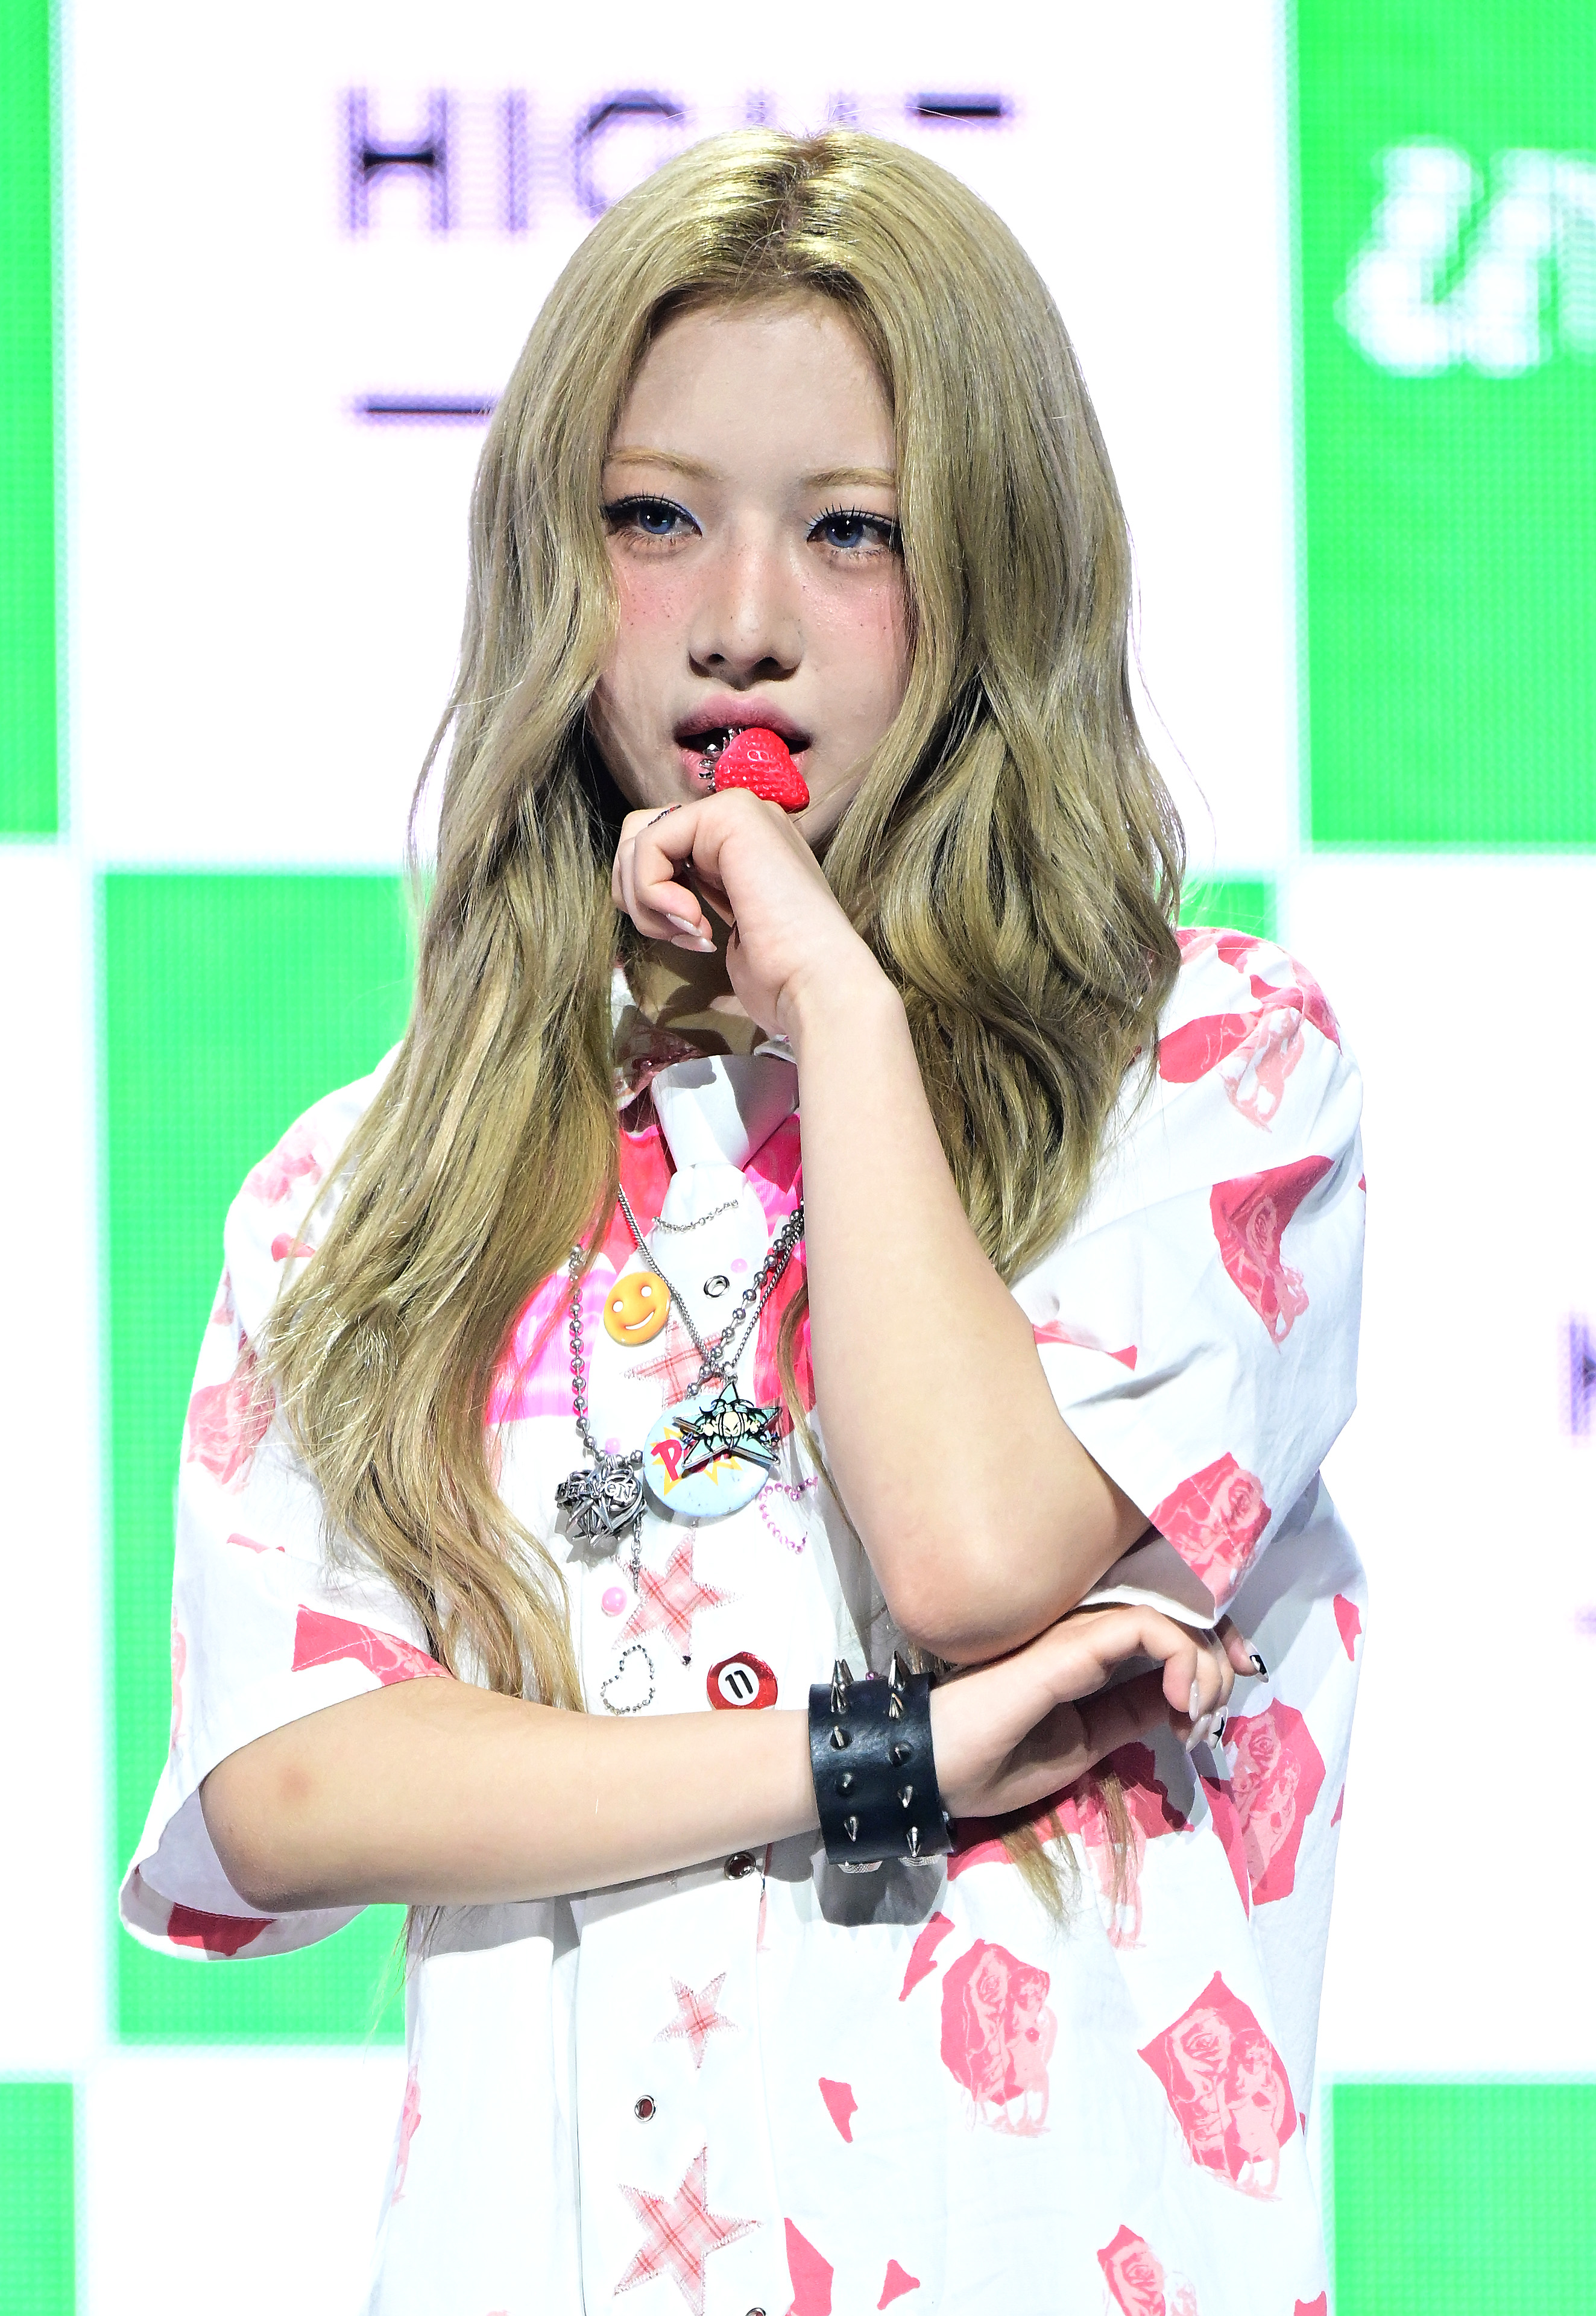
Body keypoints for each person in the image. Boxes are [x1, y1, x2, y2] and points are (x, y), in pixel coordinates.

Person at [122, 130, 1364, 2315]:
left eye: (853, 530)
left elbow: (977, 1557)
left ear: (998, 570)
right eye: (655, 518)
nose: (742, 623)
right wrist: (863, 1760)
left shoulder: (1205, 1068)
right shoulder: (371, 1179)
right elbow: (289, 1782)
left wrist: (841, 1010)